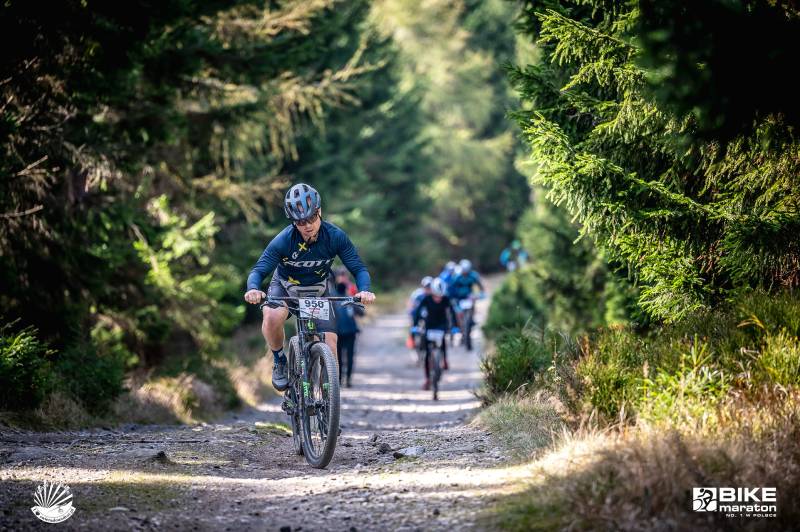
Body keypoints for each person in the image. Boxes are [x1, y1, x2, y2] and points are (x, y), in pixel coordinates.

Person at [243, 183, 376, 391]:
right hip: (285, 287)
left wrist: (364, 290)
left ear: (319, 211)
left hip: (317, 291)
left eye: (312, 217)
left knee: (330, 344)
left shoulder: (335, 236)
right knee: (271, 317)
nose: (307, 225)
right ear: (293, 222)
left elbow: (358, 268)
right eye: (300, 221)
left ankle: (328, 401)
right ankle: (279, 361)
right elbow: (259, 270)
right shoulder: (284, 240)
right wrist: (253, 288)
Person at [412, 277, 458, 390]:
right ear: (432, 292)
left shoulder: (446, 299)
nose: (438, 298)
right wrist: (415, 325)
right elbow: (417, 312)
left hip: (442, 325)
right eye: (436, 296)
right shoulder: (426, 299)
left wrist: (455, 326)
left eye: (440, 296)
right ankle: (427, 379)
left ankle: (444, 359)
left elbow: (452, 312)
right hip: (429, 326)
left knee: (443, 341)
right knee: (427, 354)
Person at [333, 268, 363, 388]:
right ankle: (347, 380)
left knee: (339, 356)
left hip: (339, 331)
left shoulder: (332, 298)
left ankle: (341, 379)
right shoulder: (349, 298)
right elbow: (361, 313)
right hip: (349, 331)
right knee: (348, 356)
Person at [406, 276, 433, 350]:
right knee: (413, 323)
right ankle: (412, 339)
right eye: (427, 286)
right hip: (419, 314)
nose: (428, 288)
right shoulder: (417, 294)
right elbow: (411, 304)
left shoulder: (434, 294)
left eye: (430, 286)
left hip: (430, 314)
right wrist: (410, 311)